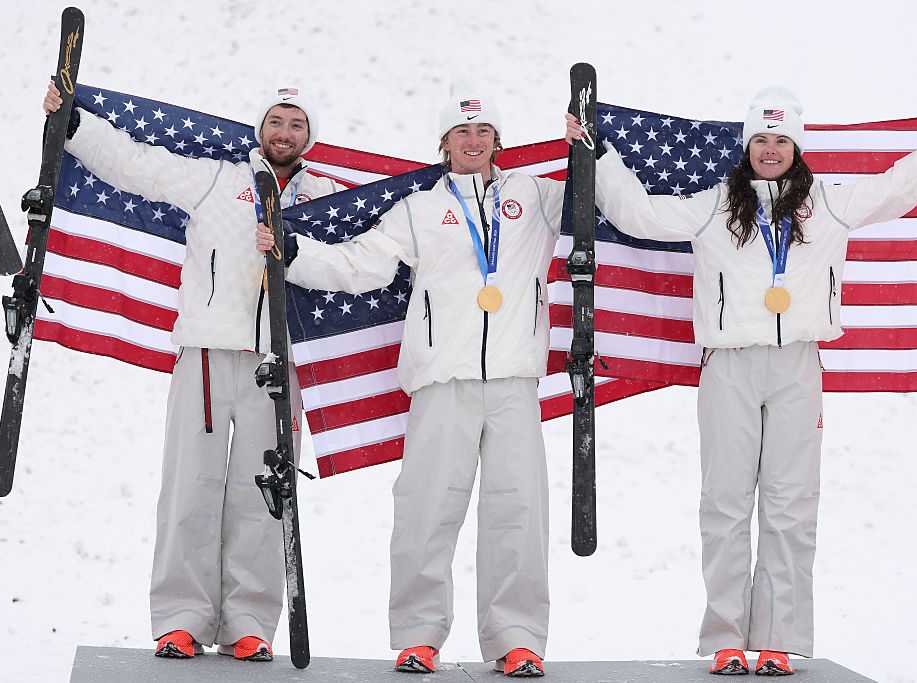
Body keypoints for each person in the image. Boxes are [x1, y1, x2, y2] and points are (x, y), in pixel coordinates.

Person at [567, 87, 917, 675]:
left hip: (796, 366)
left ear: (797, 147)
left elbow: (896, 187)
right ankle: (725, 640)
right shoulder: (715, 205)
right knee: (725, 503)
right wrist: (598, 153)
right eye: (761, 140)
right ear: (747, 147)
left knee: (791, 506)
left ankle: (778, 641)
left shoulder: (829, 204)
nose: (770, 149)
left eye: (781, 140)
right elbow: (641, 214)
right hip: (729, 366)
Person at [258, 90, 563, 677]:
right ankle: (418, 636)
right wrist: (293, 253)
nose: (473, 142)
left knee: (519, 512)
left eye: (483, 132)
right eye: (461, 133)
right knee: (426, 509)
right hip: (440, 382)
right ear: (443, 145)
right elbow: (360, 264)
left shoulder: (535, 196)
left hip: (513, 383)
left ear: (498, 141)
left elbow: (596, 199)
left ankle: (517, 638)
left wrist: (588, 148)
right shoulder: (420, 208)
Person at [44, 81, 346, 661]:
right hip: (205, 358)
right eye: (276, 121)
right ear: (260, 128)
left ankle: (249, 623)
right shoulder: (217, 179)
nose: (285, 134)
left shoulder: (325, 199)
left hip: (276, 366)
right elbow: (135, 166)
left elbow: (354, 263)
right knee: (190, 488)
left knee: (264, 497)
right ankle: (180, 618)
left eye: (297, 125)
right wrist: (74, 122)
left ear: (311, 136)